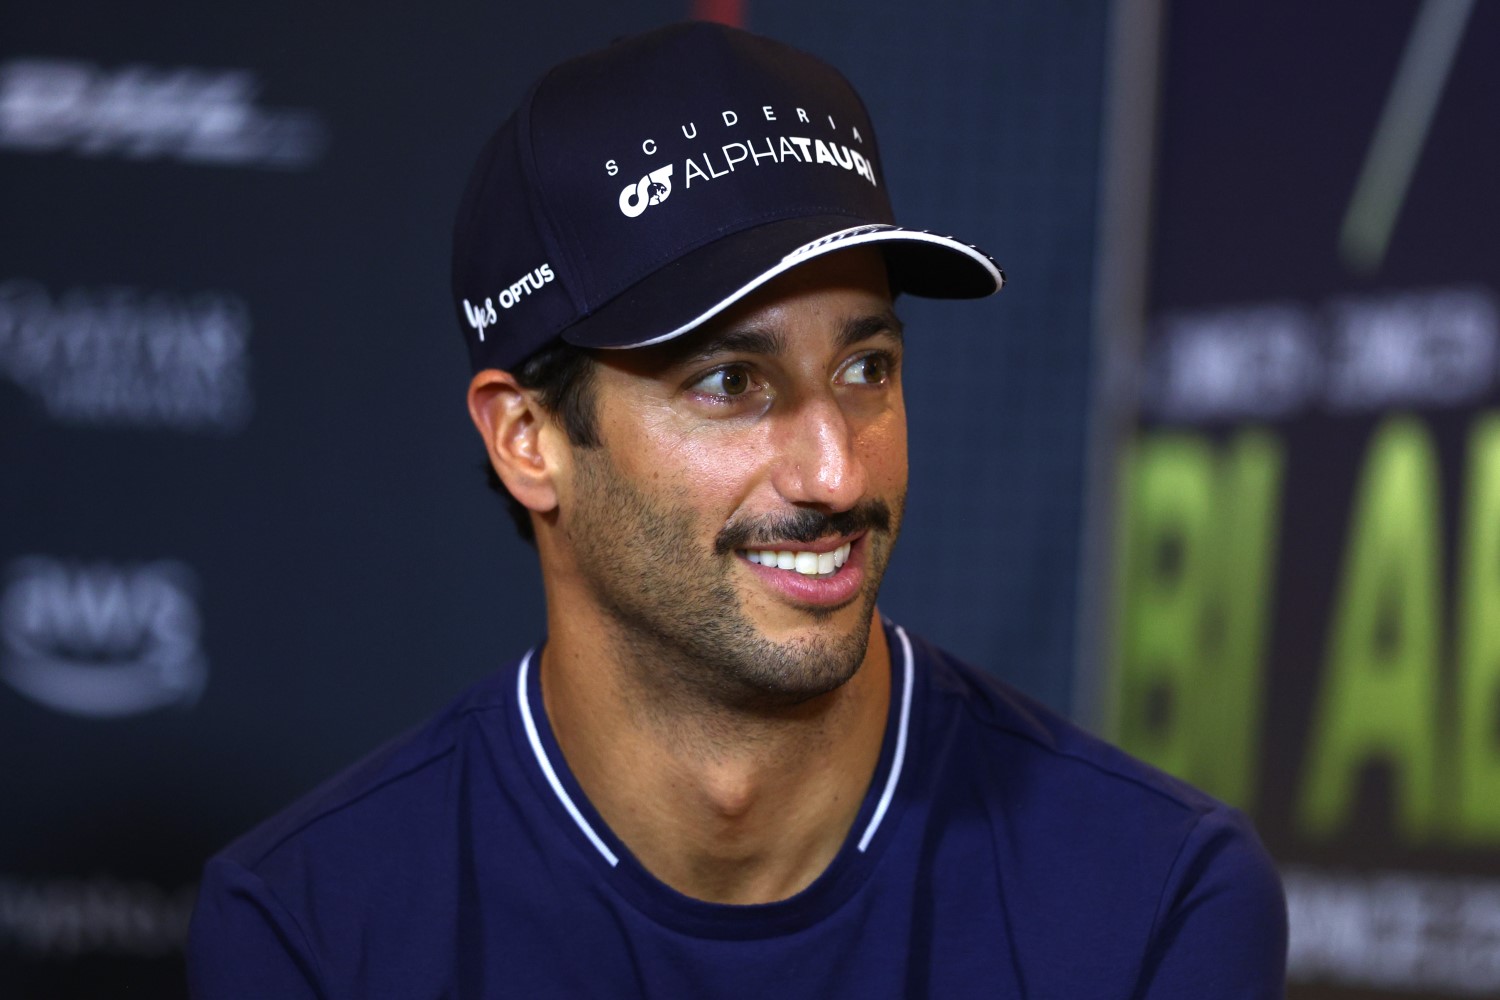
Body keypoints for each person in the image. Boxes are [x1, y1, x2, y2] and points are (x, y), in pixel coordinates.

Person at [188, 21, 1287, 998]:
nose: (835, 474)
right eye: (730, 384)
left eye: (867, 369)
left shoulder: (1152, 896)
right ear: (528, 440)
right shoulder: (314, 930)